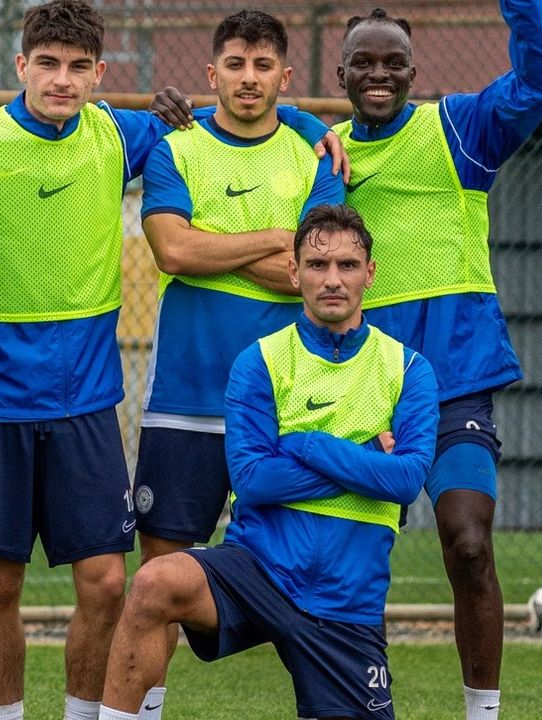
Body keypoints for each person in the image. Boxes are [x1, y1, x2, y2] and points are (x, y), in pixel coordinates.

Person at [0, 2, 341, 718]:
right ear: (20, 66)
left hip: (87, 399)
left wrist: (309, 124)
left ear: (98, 74)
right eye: (46, 64)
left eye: (77, 67)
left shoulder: (124, 135)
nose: (61, 80)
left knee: (107, 584)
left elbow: (232, 115)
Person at [98, 204, 440, 720]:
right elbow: (254, 479)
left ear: (369, 274)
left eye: (347, 265)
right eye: (317, 265)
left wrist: (307, 444)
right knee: (153, 582)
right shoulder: (259, 361)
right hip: (258, 571)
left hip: (346, 599)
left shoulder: (408, 369)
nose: (332, 279)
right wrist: (367, 458)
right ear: (294, 273)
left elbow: (407, 479)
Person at [334, 4, 542, 716]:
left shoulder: (459, 128)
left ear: (413, 72)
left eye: (392, 62)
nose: (378, 74)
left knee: (468, 544)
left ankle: (482, 712)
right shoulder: (322, 152)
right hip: (357, 387)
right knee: (347, 562)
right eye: (363, 62)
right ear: (340, 74)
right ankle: (356, 700)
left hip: (454, 383)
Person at [130, 11, 344, 715]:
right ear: (211, 72)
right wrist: (274, 237)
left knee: (307, 571)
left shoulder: (314, 154)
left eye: (262, 66)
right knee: (160, 576)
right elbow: (172, 252)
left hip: (286, 404)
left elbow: (311, 274)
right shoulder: (178, 146)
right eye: (235, 64)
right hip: (185, 397)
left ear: (285, 76)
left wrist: (213, 241)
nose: (248, 78)